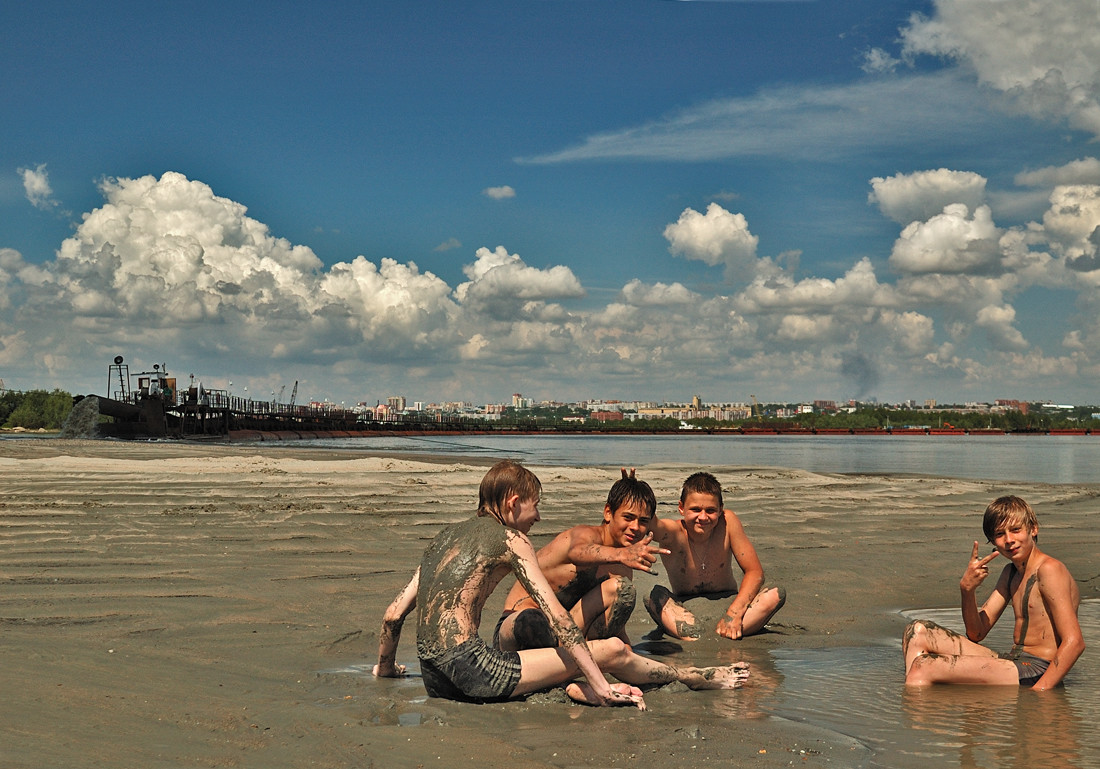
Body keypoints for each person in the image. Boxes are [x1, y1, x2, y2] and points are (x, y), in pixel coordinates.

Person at [373, 460, 750, 708]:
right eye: (534, 505)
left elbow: (393, 617)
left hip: (433, 680)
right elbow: (560, 620)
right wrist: (602, 683)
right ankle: (696, 678)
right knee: (611, 653)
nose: (537, 516)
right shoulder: (512, 539)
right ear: (513, 502)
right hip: (477, 670)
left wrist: (386, 668)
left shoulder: (442, 539)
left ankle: (572, 681)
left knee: (613, 640)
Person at [903, 495, 1085, 690]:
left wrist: (1039, 693)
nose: (1009, 540)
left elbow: (1074, 642)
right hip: (1013, 661)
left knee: (923, 666)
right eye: (1000, 534)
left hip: (1038, 671)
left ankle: (921, 703)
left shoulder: (1049, 569)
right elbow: (976, 632)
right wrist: (967, 590)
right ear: (992, 541)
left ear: (1033, 528)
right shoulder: (1010, 573)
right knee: (917, 631)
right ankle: (922, 697)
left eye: (1016, 530)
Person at [494, 468, 667, 651]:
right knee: (533, 621)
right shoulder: (585, 535)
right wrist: (622, 554)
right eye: (628, 517)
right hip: (518, 627)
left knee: (622, 590)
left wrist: (629, 653)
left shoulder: (622, 568)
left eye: (643, 521)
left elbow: (616, 623)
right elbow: (577, 552)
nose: (635, 527)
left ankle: (580, 660)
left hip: (565, 636)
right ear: (608, 513)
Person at [644, 471, 786, 641]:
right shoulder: (674, 532)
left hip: (731, 603)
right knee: (653, 596)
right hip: (684, 609)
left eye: (710, 510)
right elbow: (652, 524)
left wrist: (734, 613)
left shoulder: (728, 523)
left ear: (720, 510)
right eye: (695, 509)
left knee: (776, 593)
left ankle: (722, 630)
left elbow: (755, 572)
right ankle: (702, 634)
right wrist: (637, 497)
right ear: (681, 508)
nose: (703, 517)